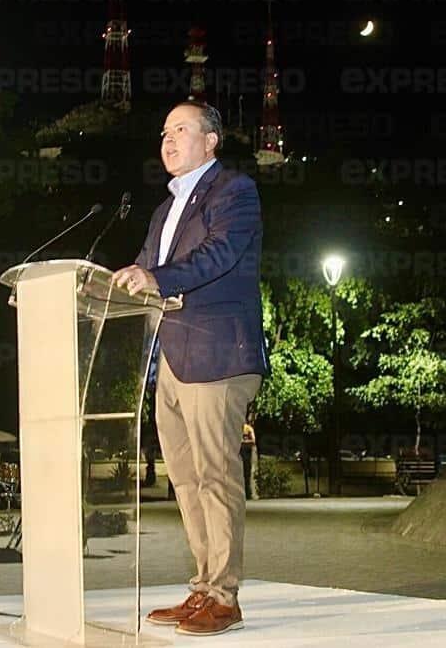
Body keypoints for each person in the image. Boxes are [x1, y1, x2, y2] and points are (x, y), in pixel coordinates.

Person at [113, 100, 268, 637]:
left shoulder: (234, 191)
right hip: (172, 359)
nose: (168, 139)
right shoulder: (163, 210)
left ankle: (226, 596)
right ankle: (203, 586)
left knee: (215, 476)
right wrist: (125, 279)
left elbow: (220, 254)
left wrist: (157, 278)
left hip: (219, 355)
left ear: (211, 141)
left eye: (181, 129)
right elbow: (148, 269)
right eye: (163, 132)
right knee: (184, 479)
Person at [241, 421, 256, 500]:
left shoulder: (248, 428)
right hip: (238, 454)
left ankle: (247, 494)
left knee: (246, 474)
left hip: (246, 454)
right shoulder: (235, 428)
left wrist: (243, 442)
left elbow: (253, 441)